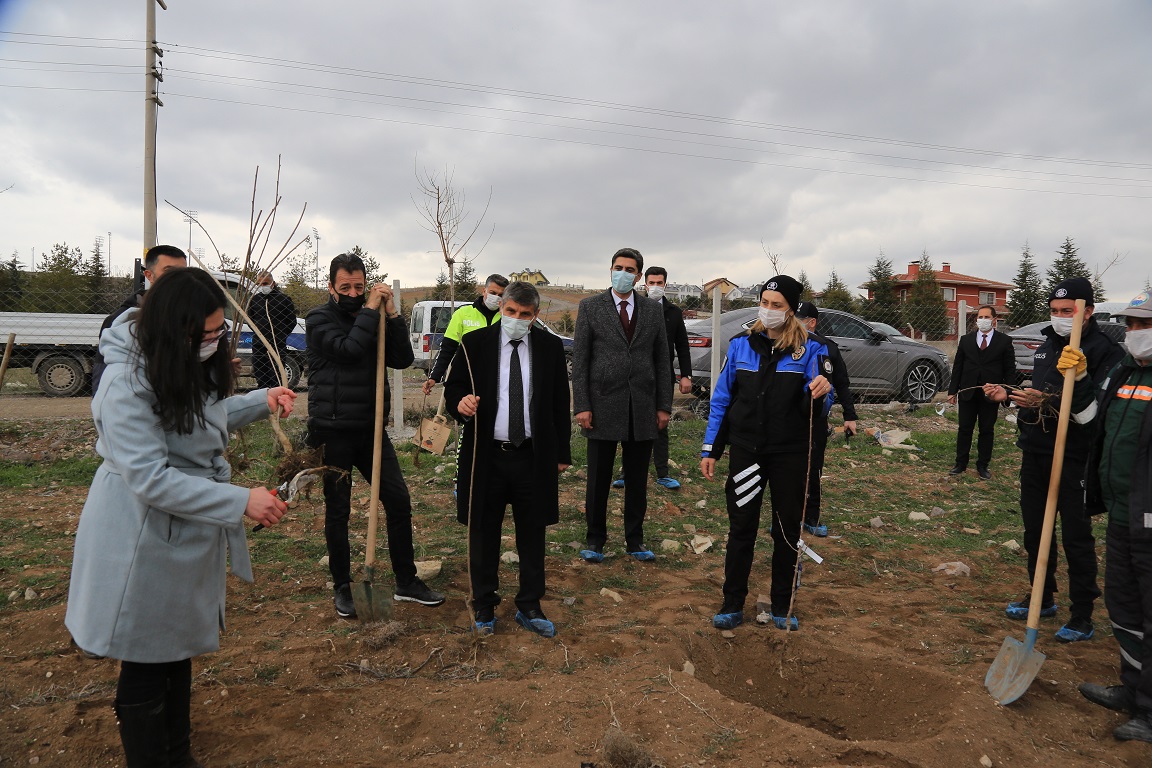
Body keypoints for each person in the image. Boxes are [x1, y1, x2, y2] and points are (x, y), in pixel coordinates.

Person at [65, 268, 295, 767]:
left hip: (182, 525)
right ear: (175, 328)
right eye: (207, 333)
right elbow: (150, 478)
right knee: (146, 656)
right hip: (140, 533)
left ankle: (179, 756)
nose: (214, 342)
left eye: (218, 331)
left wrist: (261, 400)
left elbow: (194, 422)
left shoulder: (175, 360)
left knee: (174, 649)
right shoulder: (125, 384)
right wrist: (240, 501)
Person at [984, 277, 1124, 642]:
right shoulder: (1048, 344)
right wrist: (1012, 395)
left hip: (1077, 455)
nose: (1060, 317)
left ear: (1087, 311)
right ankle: (1042, 596)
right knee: (1034, 529)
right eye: (1055, 311)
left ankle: (1082, 612)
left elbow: (1095, 412)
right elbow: (1042, 391)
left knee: (1076, 535)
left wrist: (1046, 400)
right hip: (1037, 450)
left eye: (1068, 311)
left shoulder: (1104, 350)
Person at [306, 252, 444, 618]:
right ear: (332, 287)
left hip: (370, 430)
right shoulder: (319, 320)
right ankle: (343, 587)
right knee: (339, 511)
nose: (353, 292)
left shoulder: (377, 318)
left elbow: (400, 359)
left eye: (359, 286)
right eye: (345, 287)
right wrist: (369, 309)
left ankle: (406, 581)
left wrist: (394, 316)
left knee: (397, 500)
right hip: (332, 430)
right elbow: (349, 350)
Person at [700, 276, 832, 631]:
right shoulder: (741, 345)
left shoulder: (812, 349)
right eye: (765, 302)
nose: (769, 311)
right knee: (741, 527)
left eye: (777, 305)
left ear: (791, 310)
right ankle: (731, 602)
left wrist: (822, 391)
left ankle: (781, 604)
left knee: (787, 530)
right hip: (747, 453)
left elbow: (822, 405)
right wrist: (711, 447)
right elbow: (722, 400)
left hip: (790, 454)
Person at [445, 282, 572, 637]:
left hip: (532, 456)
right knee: (483, 532)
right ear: (502, 307)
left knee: (532, 534)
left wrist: (561, 452)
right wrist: (461, 403)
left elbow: (560, 401)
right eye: (511, 311)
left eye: (525, 315)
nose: (516, 319)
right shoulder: (476, 345)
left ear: (535, 317)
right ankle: (484, 606)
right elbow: (454, 387)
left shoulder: (549, 348)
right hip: (486, 456)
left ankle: (530, 605)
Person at [1062, 291, 1152, 742]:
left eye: (1144, 324)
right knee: (1125, 607)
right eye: (1130, 325)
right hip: (1122, 512)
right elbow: (1091, 420)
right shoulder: (1124, 370)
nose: (1135, 333)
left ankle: (1150, 711)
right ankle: (1133, 690)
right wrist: (1078, 379)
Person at [573, 248, 671, 563]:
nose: (623, 273)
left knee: (637, 480)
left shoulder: (652, 311)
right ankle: (595, 540)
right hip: (601, 406)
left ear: (639, 276)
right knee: (598, 479)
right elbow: (581, 362)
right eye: (618, 267)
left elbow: (662, 361)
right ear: (610, 270)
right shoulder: (590, 307)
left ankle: (635, 540)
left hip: (641, 407)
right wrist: (582, 405)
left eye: (630, 269)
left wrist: (663, 406)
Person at [611, 266, 693, 490]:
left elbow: (682, 346)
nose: (655, 287)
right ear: (644, 283)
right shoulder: (634, 308)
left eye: (660, 283)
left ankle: (662, 473)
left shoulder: (673, 312)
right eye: (652, 282)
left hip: (663, 376)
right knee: (631, 422)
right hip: (636, 375)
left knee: (661, 423)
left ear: (665, 284)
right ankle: (627, 472)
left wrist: (686, 375)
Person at [795, 300, 856, 537]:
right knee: (787, 469)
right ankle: (787, 517)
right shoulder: (784, 344)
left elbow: (842, 383)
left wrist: (850, 416)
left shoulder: (827, 348)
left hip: (816, 418)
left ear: (812, 323)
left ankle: (811, 517)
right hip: (788, 418)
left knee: (813, 467)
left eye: (799, 320)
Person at [91, 244, 187, 393]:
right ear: (149, 275)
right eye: (169, 272)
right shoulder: (121, 321)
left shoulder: (191, 316)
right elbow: (103, 378)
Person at [947, 305, 1015, 480]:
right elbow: (958, 367)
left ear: (994, 320)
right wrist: (952, 391)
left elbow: (1010, 370)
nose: (982, 320)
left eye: (986, 317)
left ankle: (983, 465)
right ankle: (960, 463)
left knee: (986, 429)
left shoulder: (1004, 341)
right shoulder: (966, 340)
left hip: (990, 394)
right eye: (980, 317)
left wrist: (1008, 393)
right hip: (968, 391)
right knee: (964, 428)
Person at [422, 274, 509, 395]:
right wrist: (434, 377)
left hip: (498, 379)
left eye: (501, 295)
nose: (496, 297)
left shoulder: (508, 317)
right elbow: (448, 348)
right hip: (466, 377)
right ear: (484, 291)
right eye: (493, 293)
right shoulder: (463, 314)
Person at [247, 270, 298, 389]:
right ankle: (263, 402)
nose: (263, 287)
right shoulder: (255, 300)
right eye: (260, 284)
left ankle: (277, 404)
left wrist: (280, 335)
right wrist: (259, 332)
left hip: (277, 344)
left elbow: (291, 321)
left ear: (272, 283)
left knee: (276, 377)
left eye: (265, 284)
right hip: (259, 344)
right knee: (261, 377)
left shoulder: (284, 299)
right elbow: (250, 319)